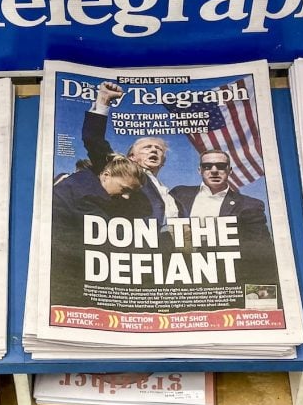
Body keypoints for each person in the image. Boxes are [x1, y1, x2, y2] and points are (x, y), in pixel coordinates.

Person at [169, 149, 280, 287]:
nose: (214, 170)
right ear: (200, 170)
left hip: (224, 278)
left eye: (221, 166)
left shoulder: (250, 205)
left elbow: (261, 249)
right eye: (207, 166)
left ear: (230, 170)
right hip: (180, 275)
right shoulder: (179, 193)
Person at [50, 155, 146, 305]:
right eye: (125, 189)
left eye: (131, 193)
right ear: (106, 175)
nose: (127, 197)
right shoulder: (89, 195)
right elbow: (108, 239)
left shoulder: (81, 179)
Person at [83, 81, 178, 225]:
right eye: (147, 147)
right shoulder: (122, 172)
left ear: (163, 161)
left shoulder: (168, 191)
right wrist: (103, 100)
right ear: (131, 156)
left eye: (158, 149)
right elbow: (93, 140)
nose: (153, 150)